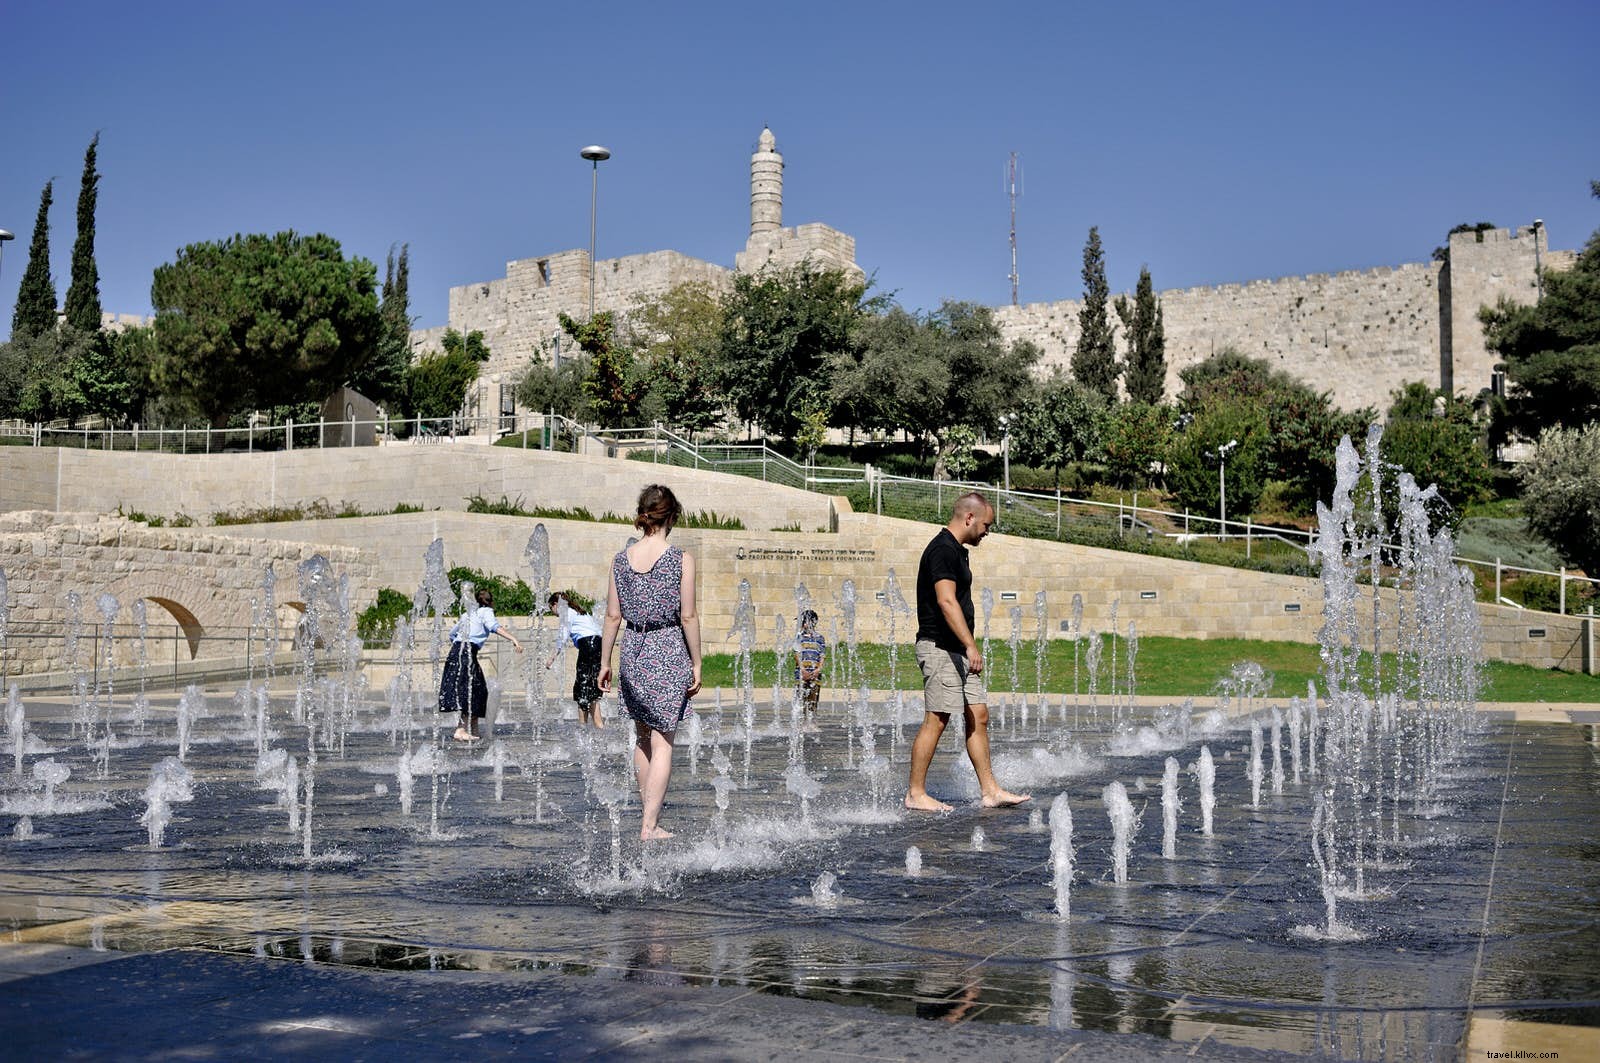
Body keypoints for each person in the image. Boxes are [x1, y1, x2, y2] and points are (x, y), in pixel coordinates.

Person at [905, 492, 1031, 811]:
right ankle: (915, 793)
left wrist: (967, 646)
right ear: (969, 518)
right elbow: (946, 601)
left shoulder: (958, 552)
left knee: (979, 714)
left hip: (957, 649)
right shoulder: (942, 550)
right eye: (986, 524)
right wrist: (971, 644)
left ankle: (990, 790)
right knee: (938, 717)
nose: (988, 531)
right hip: (939, 646)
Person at [598, 484, 702, 840]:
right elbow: (687, 616)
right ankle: (650, 825)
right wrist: (697, 662)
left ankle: (648, 816)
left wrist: (604, 662)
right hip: (668, 648)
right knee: (663, 741)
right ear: (671, 516)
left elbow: (613, 616)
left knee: (642, 737)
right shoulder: (681, 559)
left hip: (633, 651)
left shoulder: (619, 560)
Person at [439, 587, 522, 742]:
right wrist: (513, 639)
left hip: (456, 652)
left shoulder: (467, 614)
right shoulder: (486, 611)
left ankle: (474, 730)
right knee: (469, 690)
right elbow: (494, 626)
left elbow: (452, 634)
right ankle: (461, 729)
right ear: (490, 602)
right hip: (467, 652)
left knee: (478, 689)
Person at [547, 592, 605, 728]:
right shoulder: (580, 612)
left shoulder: (566, 612)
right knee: (591, 688)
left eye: (551, 609)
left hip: (588, 646)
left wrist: (552, 657)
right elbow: (598, 631)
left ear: (555, 605)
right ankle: (599, 725)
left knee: (582, 688)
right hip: (597, 646)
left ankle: (582, 728)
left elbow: (563, 635)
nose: (554, 613)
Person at [794, 609, 826, 722]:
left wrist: (819, 669)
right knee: (801, 697)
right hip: (801, 673)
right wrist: (802, 669)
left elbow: (822, 655)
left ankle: (811, 722)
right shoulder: (799, 636)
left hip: (815, 673)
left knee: (813, 698)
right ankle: (802, 722)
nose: (803, 625)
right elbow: (796, 654)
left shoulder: (820, 638)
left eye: (804, 622)